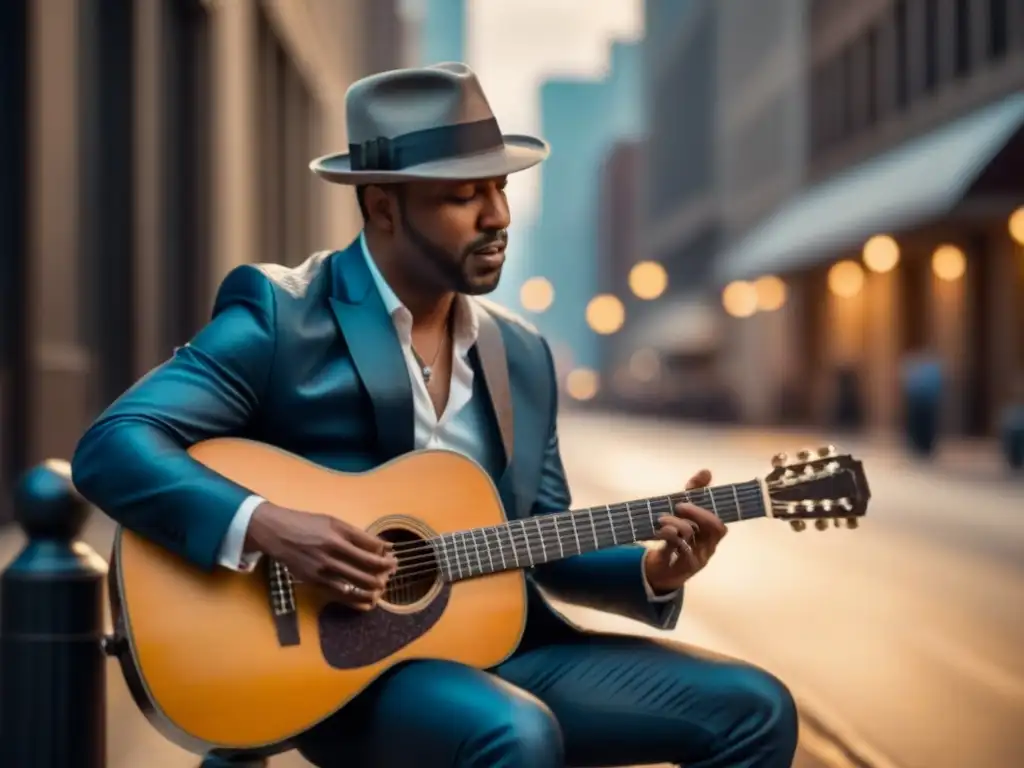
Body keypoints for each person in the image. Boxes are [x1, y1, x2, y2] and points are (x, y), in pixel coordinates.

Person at [71, 63, 797, 768]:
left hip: (500, 651)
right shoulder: (282, 316)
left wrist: (656, 568)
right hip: (344, 671)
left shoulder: (521, 353)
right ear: (384, 204)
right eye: (464, 197)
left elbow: (536, 535)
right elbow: (113, 445)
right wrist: (269, 525)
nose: (498, 217)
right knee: (514, 735)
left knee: (756, 709)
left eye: (501, 189)